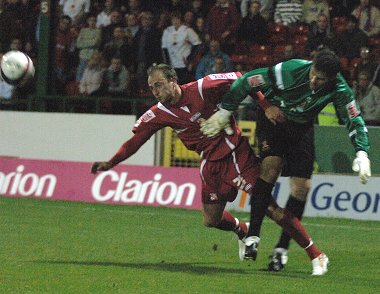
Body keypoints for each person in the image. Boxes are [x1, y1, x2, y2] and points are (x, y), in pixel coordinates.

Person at [91, 63, 330, 275]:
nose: (155, 91)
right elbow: (135, 141)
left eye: (159, 85)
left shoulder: (203, 87)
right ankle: (242, 229)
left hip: (237, 155)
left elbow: (243, 78)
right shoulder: (159, 113)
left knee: (269, 207)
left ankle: (316, 254)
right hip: (210, 164)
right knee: (211, 219)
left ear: (173, 81)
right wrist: (111, 163)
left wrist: (265, 104)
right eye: (152, 87)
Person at [200, 49, 371, 272]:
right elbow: (247, 81)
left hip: (301, 127)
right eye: (313, 74)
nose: (314, 80)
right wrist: (225, 112)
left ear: (331, 79)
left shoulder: (339, 89)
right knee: (269, 169)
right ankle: (253, 235)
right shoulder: (289, 70)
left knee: (302, 188)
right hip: (274, 120)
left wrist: (362, 153)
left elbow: (354, 119)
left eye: (320, 79)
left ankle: (281, 249)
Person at [161, 11, 202, 84]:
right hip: (172, 63)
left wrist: (190, 58)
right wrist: (167, 63)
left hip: (184, 63)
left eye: (177, 19)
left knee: (185, 84)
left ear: (180, 20)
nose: (175, 21)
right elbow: (164, 48)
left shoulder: (187, 30)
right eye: (173, 19)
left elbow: (197, 44)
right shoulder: (167, 31)